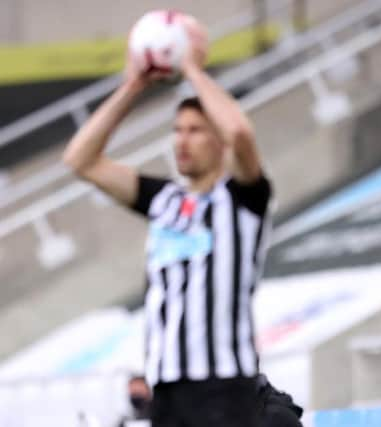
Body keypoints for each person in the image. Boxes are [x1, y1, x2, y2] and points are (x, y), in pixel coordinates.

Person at [63, 16, 271, 427]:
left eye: (195, 130)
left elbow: (242, 135)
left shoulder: (243, 197)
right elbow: (80, 160)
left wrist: (191, 69)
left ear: (217, 140)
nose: (182, 140)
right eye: (177, 130)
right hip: (166, 386)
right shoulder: (163, 200)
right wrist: (134, 86)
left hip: (225, 385)